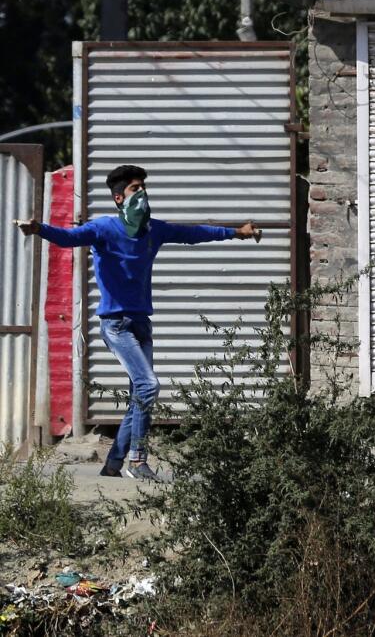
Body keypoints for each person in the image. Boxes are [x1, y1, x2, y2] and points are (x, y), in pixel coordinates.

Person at [16, 165, 262, 481]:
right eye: (135, 188)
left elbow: (194, 233)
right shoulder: (103, 229)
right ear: (119, 198)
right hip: (115, 325)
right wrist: (39, 229)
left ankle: (112, 465)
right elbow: (67, 237)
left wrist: (237, 233)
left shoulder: (153, 231)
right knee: (148, 385)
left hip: (141, 324)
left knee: (140, 395)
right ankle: (137, 460)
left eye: (143, 187)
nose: (142, 193)